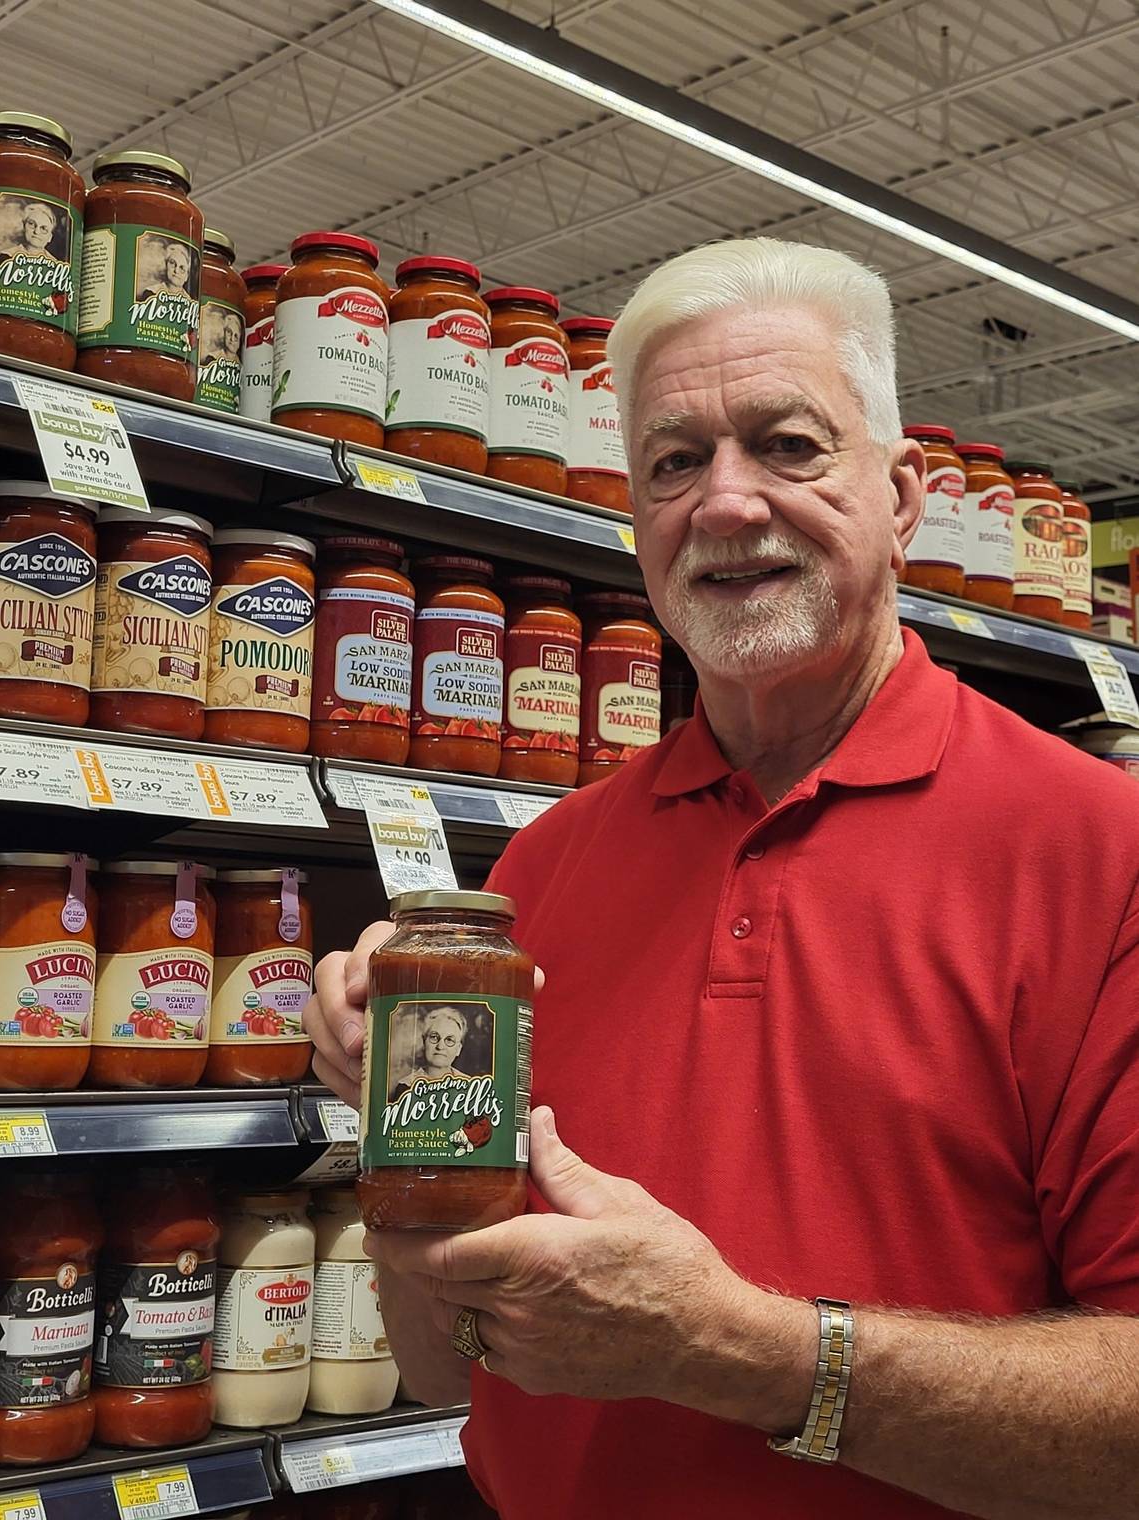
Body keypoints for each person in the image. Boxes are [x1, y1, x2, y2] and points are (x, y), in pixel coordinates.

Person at [304, 238, 1139, 1520]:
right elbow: (437, 1366)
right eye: (675, 462)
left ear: (905, 495)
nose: (728, 504)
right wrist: (399, 1130)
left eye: (790, 446)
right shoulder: (538, 872)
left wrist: (737, 1351)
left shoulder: (1103, 851)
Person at [388, 1005, 470, 1099]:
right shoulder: (405, 1087)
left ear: (458, 1049)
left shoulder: (470, 1086)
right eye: (434, 1037)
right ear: (424, 1042)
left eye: (449, 1040)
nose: (440, 1046)